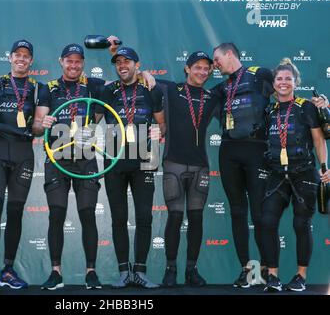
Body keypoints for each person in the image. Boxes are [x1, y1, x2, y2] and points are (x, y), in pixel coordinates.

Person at [32, 43, 107, 290]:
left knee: (87, 214)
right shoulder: (48, 88)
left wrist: (147, 75)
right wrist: (45, 122)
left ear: (83, 63)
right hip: (56, 157)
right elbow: (36, 126)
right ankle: (56, 273)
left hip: (85, 157)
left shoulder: (94, 85)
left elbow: (124, 82)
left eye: (78, 61)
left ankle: (91, 272)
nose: (73, 65)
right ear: (61, 62)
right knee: (56, 214)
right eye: (69, 61)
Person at [0, 40, 41, 295]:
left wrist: (42, 124)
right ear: (10, 57)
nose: (21, 59)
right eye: (17, 55)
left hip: (24, 153)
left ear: (31, 60)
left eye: (26, 56)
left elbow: (36, 128)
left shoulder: (38, 89)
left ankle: (9, 270)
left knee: (15, 212)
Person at [95, 46, 165, 289]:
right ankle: (124, 271)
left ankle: (141, 272)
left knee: (145, 216)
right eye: (118, 62)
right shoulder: (107, 90)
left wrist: (159, 131)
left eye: (127, 61)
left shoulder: (150, 89)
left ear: (138, 64)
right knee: (118, 218)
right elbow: (92, 122)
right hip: (115, 157)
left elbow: (161, 125)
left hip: (145, 157)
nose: (122, 65)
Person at [262, 58, 330, 292]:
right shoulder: (268, 109)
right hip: (276, 175)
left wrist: (324, 167)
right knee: (267, 222)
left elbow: (319, 139)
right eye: (279, 79)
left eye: (287, 79)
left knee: (301, 224)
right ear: (273, 83)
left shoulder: (306, 106)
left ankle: (300, 277)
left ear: (295, 82)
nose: (283, 83)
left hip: (304, 174)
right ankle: (272, 277)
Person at [212, 43, 274, 287]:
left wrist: (319, 104)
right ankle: (247, 270)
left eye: (217, 59)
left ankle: (268, 269)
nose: (215, 64)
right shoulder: (219, 89)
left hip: (256, 150)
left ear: (229, 54)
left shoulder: (260, 75)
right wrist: (146, 75)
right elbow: (183, 92)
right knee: (238, 212)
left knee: (259, 213)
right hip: (228, 152)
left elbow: (285, 91)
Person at [156, 51, 220, 287]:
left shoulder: (213, 97)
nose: (202, 72)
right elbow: (141, 76)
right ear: (187, 68)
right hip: (173, 163)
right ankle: (170, 269)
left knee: (196, 218)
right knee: (174, 217)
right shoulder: (171, 90)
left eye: (207, 69)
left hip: (200, 167)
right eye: (198, 67)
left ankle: (192, 270)